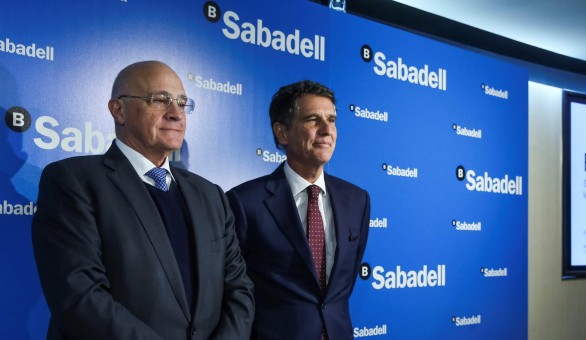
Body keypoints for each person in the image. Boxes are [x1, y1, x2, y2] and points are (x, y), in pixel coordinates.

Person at [32, 61, 254, 339]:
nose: (176, 113)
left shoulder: (211, 195)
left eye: (182, 103)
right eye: (160, 100)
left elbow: (238, 289)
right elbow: (80, 297)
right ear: (119, 110)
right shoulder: (72, 181)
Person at [227, 80, 370, 339]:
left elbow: (343, 286)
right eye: (313, 119)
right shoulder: (244, 202)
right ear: (282, 133)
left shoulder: (357, 200)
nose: (327, 130)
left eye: (332, 119)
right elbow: (232, 290)